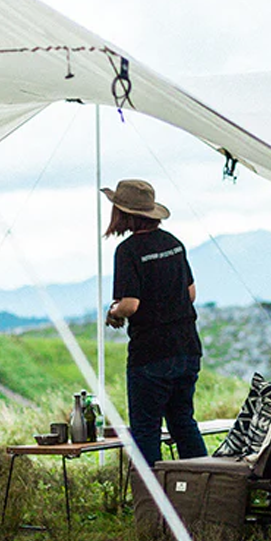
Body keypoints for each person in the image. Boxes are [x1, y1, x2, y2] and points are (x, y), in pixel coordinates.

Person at [102, 179, 206, 466]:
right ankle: (202, 490)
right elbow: (191, 294)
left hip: (151, 354)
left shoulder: (128, 251)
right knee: (183, 422)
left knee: (146, 431)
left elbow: (130, 305)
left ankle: (153, 502)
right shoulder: (174, 243)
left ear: (123, 214)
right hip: (187, 347)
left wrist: (113, 310)